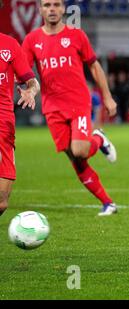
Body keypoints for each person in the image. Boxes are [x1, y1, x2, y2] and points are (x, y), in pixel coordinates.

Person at [22, 0, 118, 216]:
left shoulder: (76, 35)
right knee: (75, 158)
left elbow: (94, 65)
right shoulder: (31, 40)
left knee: (80, 150)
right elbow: (26, 74)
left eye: (56, 4)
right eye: (47, 5)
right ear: (40, 10)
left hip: (77, 103)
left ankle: (99, 139)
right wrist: (30, 89)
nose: (52, 9)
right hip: (52, 108)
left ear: (64, 8)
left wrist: (107, 97)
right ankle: (108, 203)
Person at [0, 0, 40, 216]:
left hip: (3, 124)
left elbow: (33, 81)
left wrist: (30, 91)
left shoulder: (9, 45)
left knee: (2, 204)